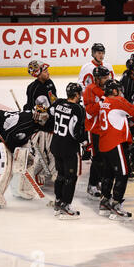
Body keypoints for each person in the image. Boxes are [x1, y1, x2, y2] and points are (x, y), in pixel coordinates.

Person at [97, 79, 134, 220]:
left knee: (109, 173)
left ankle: (105, 201)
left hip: (104, 143)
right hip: (115, 143)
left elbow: (123, 115)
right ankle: (116, 204)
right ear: (115, 91)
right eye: (119, 90)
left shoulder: (103, 103)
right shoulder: (117, 101)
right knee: (123, 173)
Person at [0, 107, 50, 208]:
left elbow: (21, 137)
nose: (45, 120)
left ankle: (18, 190)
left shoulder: (34, 122)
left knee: (15, 161)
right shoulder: (25, 123)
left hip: (5, 130)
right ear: (36, 117)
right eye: (43, 118)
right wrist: (15, 152)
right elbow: (8, 138)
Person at [48, 83, 86, 219]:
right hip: (68, 148)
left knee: (61, 175)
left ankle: (58, 201)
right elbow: (76, 131)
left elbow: (49, 113)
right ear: (76, 95)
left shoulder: (58, 103)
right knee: (71, 177)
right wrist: (85, 142)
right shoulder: (78, 109)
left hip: (56, 145)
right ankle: (66, 205)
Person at [82, 65, 111, 200]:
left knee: (105, 157)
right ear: (97, 79)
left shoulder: (108, 88)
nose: (106, 80)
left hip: (105, 128)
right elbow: (89, 110)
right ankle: (92, 184)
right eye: (104, 78)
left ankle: (99, 181)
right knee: (97, 158)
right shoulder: (89, 90)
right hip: (94, 129)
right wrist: (102, 103)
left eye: (107, 77)